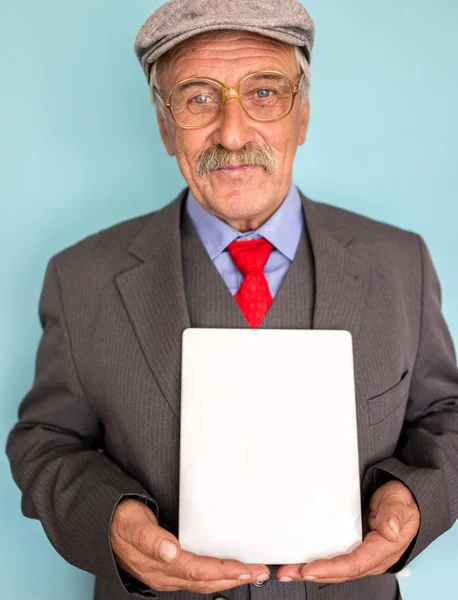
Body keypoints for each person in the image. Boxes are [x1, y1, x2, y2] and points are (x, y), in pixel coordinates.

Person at [6, 1, 458, 599]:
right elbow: (45, 442)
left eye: (265, 92)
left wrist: (412, 502)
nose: (234, 132)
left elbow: (445, 418)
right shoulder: (80, 276)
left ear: (303, 114)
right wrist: (111, 522)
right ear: (166, 128)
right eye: (198, 98)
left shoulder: (400, 262)